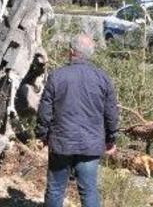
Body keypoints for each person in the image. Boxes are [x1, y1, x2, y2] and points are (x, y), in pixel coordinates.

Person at [36, 34, 118, 207]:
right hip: (90, 144)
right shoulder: (102, 78)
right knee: (89, 191)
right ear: (89, 54)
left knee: (55, 189)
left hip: (61, 143)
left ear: (71, 52)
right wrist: (111, 139)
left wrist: (42, 135)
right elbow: (111, 113)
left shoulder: (56, 76)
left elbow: (45, 110)